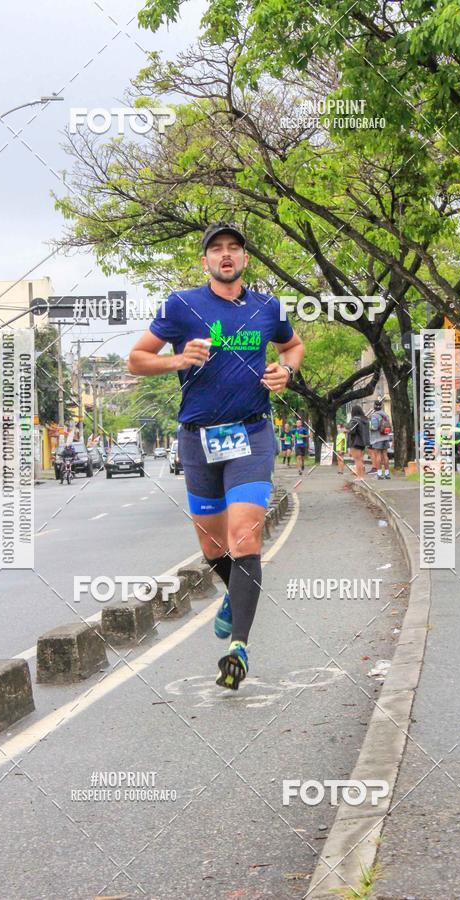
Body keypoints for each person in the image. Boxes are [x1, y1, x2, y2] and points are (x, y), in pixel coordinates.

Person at [128, 221, 304, 690]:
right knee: (212, 548)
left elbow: (294, 345)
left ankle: (238, 649)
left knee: (245, 538)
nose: (226, 255)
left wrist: (285, 370)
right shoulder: (181, 305)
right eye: (216, 250)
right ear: (205, 260)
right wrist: (177, 360)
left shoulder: (269, 307)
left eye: (234, 249)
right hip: (198, 439)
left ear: (245, 259)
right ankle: (235, 595)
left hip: (251, 433)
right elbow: (136, 359)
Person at [368, 398, 392, 479]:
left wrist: (369, 426)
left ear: (374, 406)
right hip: (385, 437)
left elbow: (374, 427)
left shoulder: (375, 415)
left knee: (378, 455)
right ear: (381, 406)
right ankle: (387, 473)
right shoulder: (386, 415)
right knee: (385, 455)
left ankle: (379, 474)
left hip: (377, 438)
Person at [347, 405, 370, 479]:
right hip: (363, 442)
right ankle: (361, 475)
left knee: (357, 460)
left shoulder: (354, 420)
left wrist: (346, 431)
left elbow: (352, 431)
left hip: (355, 441)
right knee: (360, 459)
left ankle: (360, 476)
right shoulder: (365, 420)